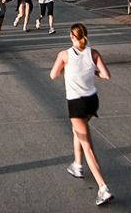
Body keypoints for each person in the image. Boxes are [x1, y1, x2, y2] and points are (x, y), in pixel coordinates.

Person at [50, 23, 113, 206]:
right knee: (78, 130)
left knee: (88, 146)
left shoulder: (64, 55)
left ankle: (103, 188)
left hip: (76, 104)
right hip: (92, 100)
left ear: (71, 36)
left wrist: (66, 70)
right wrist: (93, 72)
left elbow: (53, 75)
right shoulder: (94, 53)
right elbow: (106, 75)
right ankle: (77, 165)